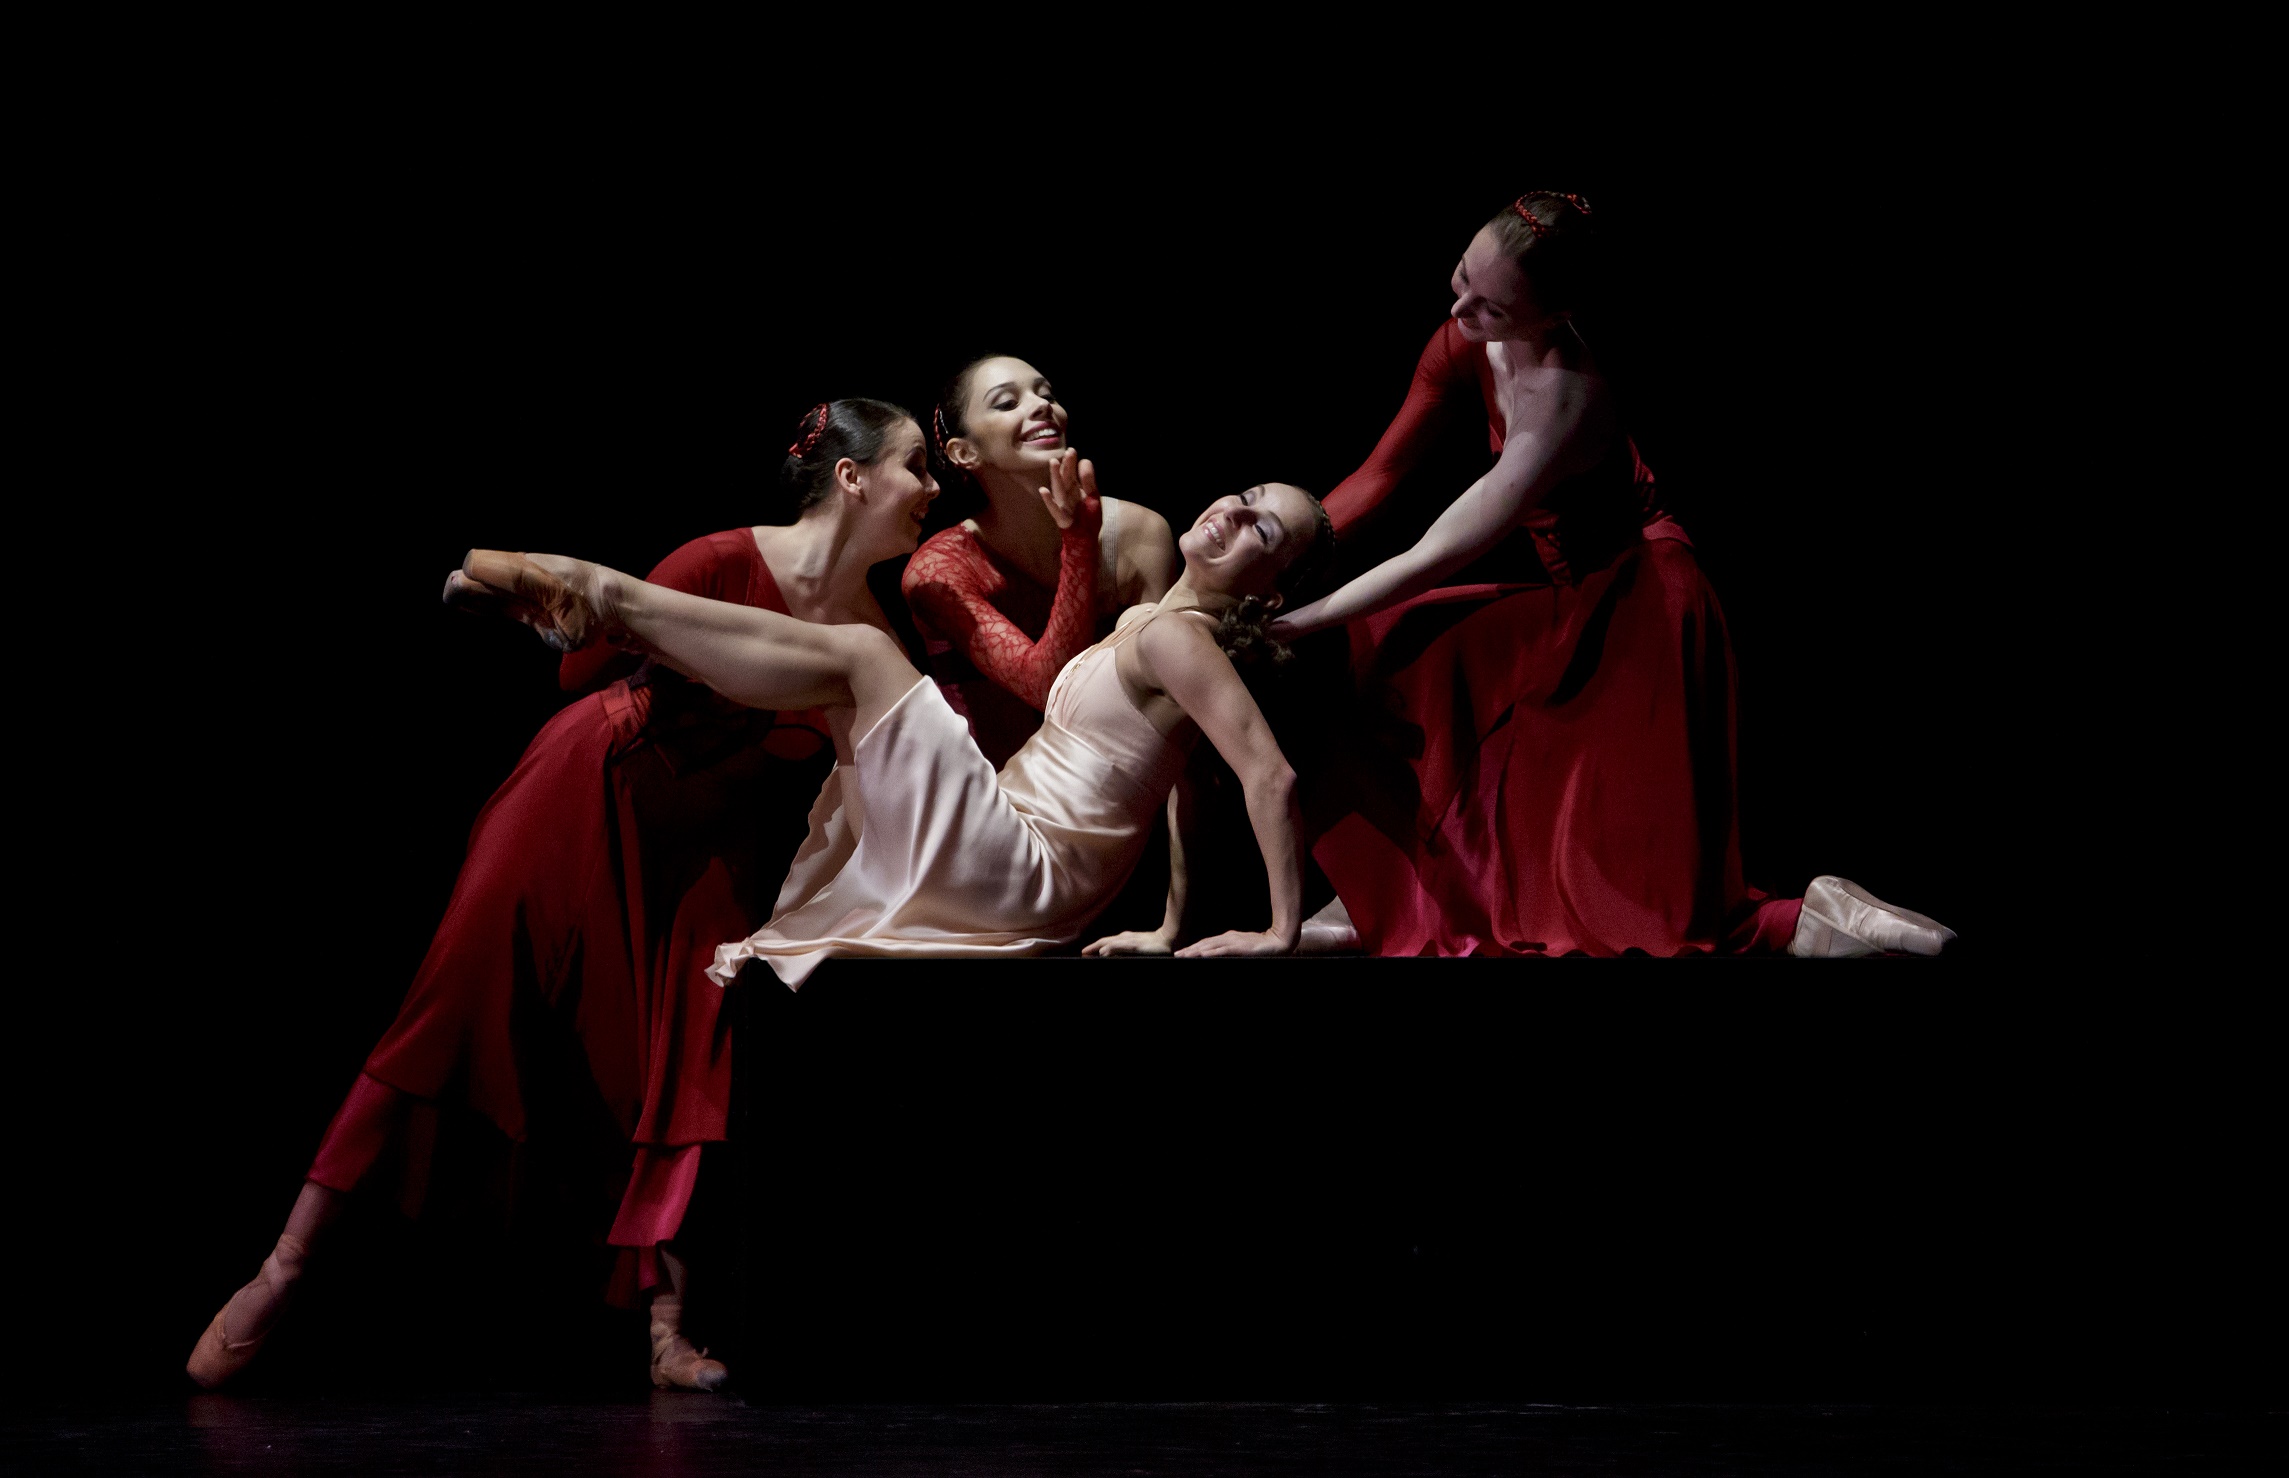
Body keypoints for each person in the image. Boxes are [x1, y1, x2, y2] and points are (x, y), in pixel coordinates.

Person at [186, 399, 939, 1395]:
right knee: (457, 999)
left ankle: (666, 1327)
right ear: (853, 477)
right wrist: (522, 600)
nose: (932, 488)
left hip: (709, 845)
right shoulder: (719, 559)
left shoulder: (875, 639)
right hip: (593, 780)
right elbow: (577, 658)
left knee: (695, 1053)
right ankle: (284, 1266)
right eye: (916, 465)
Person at [1272, 191, 1952, 959]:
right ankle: (1379, 891)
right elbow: (1380, 475)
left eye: (1491, 306)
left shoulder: (1562, 399)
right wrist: (1270, 559)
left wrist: (1294, 620)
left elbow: (1434, 552)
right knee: (1384, 645)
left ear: (1554, 313)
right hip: (1570, 596)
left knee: (1638, 913)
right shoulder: (1461, 340)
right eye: (1461, 276)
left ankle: (1812, 912)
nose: (1460, 309)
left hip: (1646, 606)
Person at [451, 473, 1338, 986]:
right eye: (1246, 494)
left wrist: (1279, 933)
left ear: (1266, 589)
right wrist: (1167, 927)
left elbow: (1270, 776)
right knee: (851, 672)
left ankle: (610, 601)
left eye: (1262, 528)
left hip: (1027, 864)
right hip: (1015, 840)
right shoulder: (1152, 625)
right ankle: (616, 613)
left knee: (865, 661)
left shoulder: (1181, 639)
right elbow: (1189, 785)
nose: (1233, 511)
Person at [902, 354, 1179, 766]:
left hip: (1126, 782)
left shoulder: (1142, 534)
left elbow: (1171, 701)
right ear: (965, 452)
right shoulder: (941, 568)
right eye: (1007, 402)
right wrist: (1078, 542)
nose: (1042, 406)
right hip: (995, 793)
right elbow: (1049, 688)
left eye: (1047, 394)